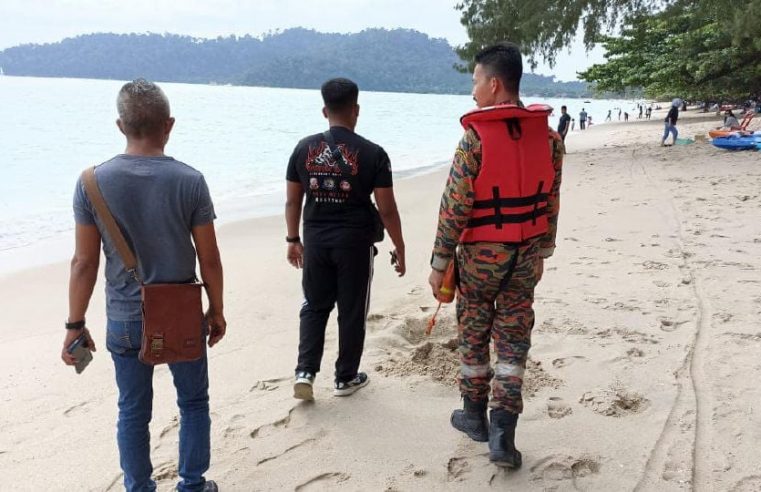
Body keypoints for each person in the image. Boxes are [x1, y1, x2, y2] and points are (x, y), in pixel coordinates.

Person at [63, 79, 226, 492]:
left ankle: (139, 488)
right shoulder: (190, 180)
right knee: (192, 402)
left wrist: (74, 324)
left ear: (121, 126)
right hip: (181, 314)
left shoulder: (91, 182)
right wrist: (217, 309)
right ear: (169, 125)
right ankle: (191, 485)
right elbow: (209, 257)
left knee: (133, 410)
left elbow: (84, 263)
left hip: (123, 317)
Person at [427, 42, 563, 468]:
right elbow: (550, 201)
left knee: (473, 330)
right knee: (514, 338)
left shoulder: (474, 140)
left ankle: (473, 416)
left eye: (475, 82)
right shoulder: (551, 139)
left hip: (480, 259)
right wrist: (543, 249)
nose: (473, 92)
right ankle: (503, 433)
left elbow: (454, 207)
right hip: (525, 256)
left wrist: (438, 263)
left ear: (494, 83)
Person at [285, 77, 406, 401]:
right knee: (351, 310)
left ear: (325, 110)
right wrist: (400, 245)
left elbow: (293, 201)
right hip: (354, 244)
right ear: (356, 110)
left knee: (314, 305)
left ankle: (305, 372)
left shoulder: (302, 148)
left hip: (315, 240)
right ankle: (346, 377)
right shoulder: (374, 153)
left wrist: (293, 239)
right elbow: (388, 209)